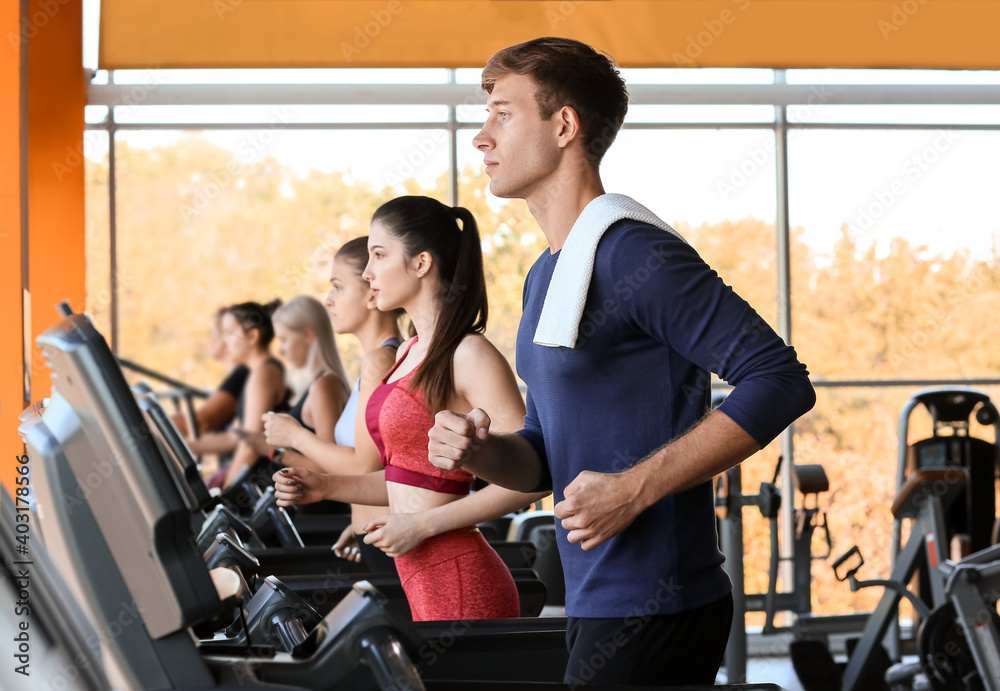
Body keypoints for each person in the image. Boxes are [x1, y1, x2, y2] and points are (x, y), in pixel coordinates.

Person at [425, 37, 817, 687]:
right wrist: (480, 453)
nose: (481, 138)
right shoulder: (546, 275)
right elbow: (546, 455)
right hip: (594, 596)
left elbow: (779, 379)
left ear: (564, 125)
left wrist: (633, 487)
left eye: (502, 113)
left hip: (659, 602)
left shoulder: (632, 253)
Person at [272, 196, 530, 621]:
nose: (369, 272)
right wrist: (324, 486)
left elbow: (533, 479)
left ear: (421, 263)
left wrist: (422, 526)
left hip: (461, 579)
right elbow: (407, 480)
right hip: (422, 580)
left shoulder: (468, 353)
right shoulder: (409, 352)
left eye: (378, 255)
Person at [263, 238, 402, 570]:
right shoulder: (373, 362)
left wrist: (293, 437)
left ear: (371, 291)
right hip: (369, 534)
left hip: (390, 545)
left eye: (338, 287)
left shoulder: (383, 361)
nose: (329, 299)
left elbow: (362, 467)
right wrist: (356, 520)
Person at [188, 300, 288, 490]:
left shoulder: (264, 373)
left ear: (252, 336)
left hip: (262, 482)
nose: (225, 341)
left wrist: (227, 491)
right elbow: (235, 437)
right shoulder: (258, 372)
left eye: (230, 334)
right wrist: (188, 445)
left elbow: (250, 445)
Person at [172, 307, 249, 439]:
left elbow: (201, 422)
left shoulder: (242, 375)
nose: (208, 341)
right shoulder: (240, 375)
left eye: (213, 333)